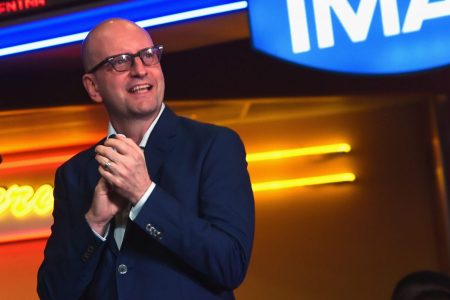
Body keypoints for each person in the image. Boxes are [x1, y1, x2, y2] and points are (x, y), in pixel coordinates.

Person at [37, 18, 255, 300]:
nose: (140, 70)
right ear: (93, 87)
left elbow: (230, 264)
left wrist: (144, 196)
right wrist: (94, 222)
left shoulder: (215, 146)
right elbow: (54, 294)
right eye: (121, 61)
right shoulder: (73, 174)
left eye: (148, 55)